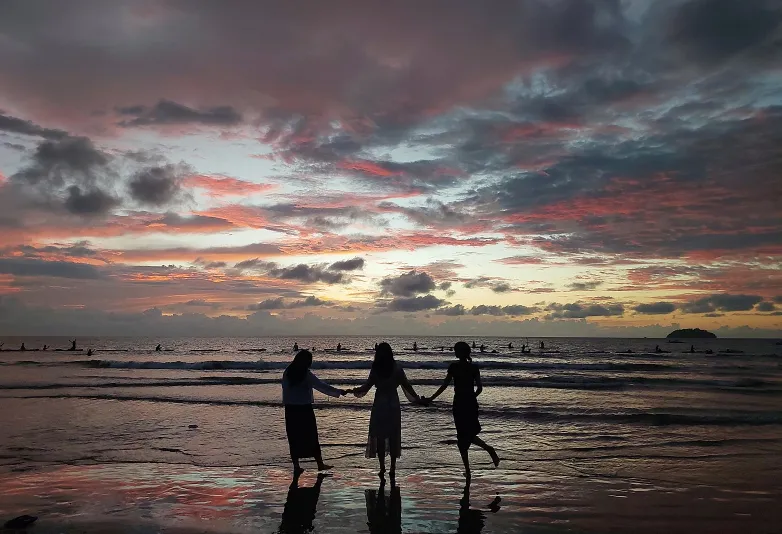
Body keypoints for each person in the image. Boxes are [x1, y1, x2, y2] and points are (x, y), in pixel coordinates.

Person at [423, 341, 500, 479]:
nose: (454, 352)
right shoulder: (474, 368)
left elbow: (444, 386)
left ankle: (470, 468)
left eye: (455, 350)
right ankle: (486, 452)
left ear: (460, 352)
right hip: (471, 404)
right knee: (467, 435)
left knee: (462, 437)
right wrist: (471, 398)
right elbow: (480, 389)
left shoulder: (453, 367)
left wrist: (431, 399)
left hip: (459, 404)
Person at [351, 342, 424, 477]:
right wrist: (418, 399)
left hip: (379, 405)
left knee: (379, 435)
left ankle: (382, 468)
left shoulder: (376, 369)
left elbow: (366, 387)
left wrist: (354, 390)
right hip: (393, 404)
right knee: (393, 435)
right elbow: (407, 387)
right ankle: (392, 468)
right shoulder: (397, 369)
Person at [282, 349, 345, 474]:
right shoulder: (306, 374)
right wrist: (338, 392)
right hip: (305, 409)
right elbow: (321, 385)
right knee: (311, 436)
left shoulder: (288, 372)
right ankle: (320, 464)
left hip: (291, 409)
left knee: (294, 437)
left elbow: (285, 389)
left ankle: (296, 466)